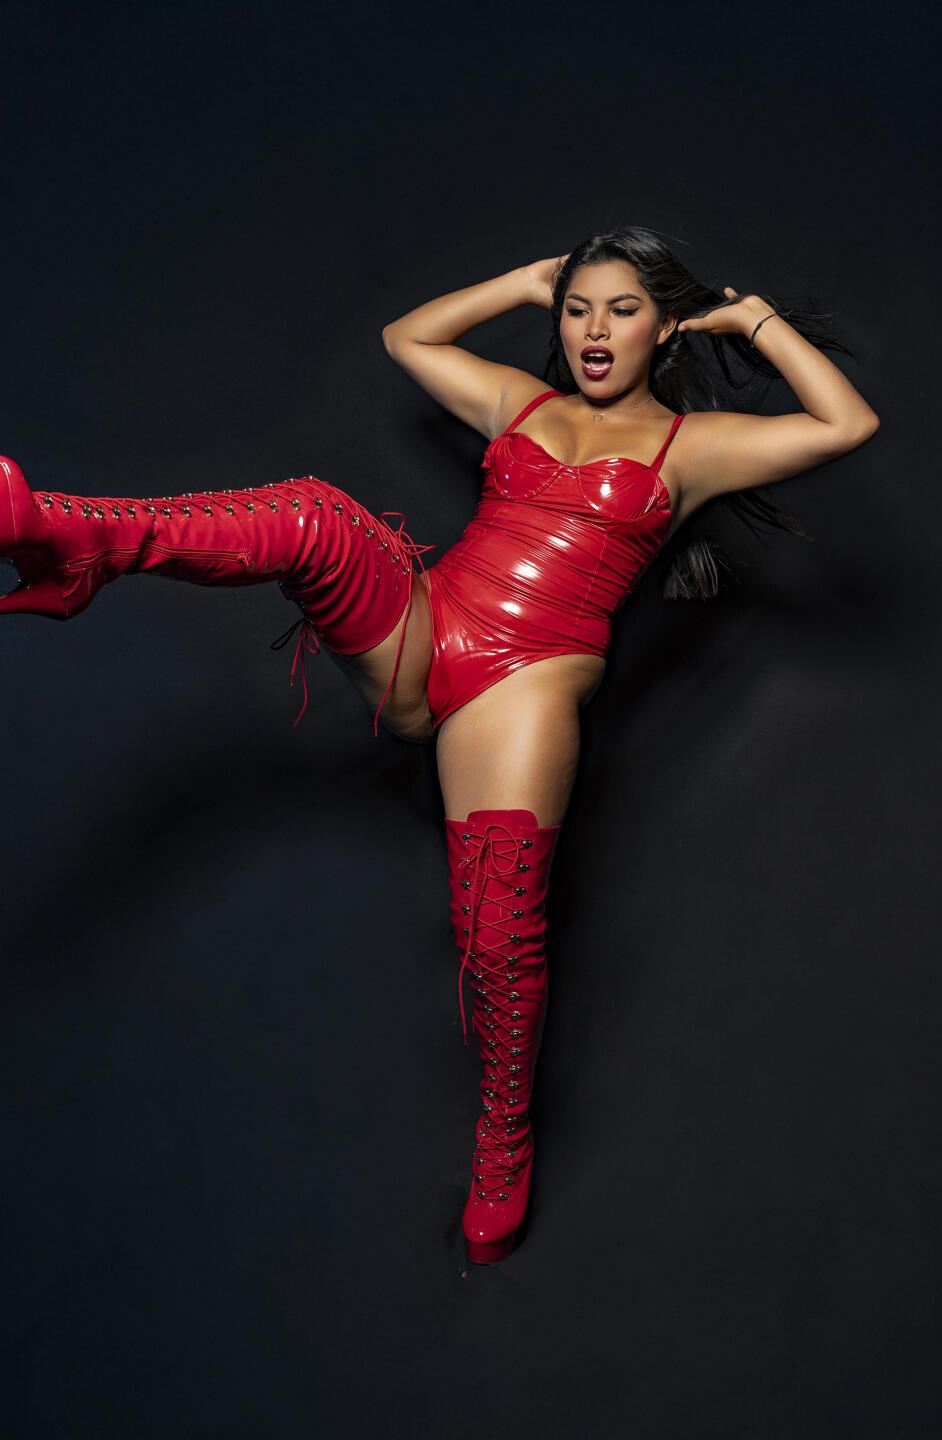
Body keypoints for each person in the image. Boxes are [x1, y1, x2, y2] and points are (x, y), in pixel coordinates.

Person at [0, 227, 879, 1265]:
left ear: (663, 327)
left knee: (497, 930)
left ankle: (503, 1142)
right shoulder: (523, 405)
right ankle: (75, 538)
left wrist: (752, 319)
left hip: (526, 682)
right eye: (578, 308)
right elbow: (406, 339)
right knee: (315, 515)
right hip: (427, 620)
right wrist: (518, 282)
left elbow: (847, 422)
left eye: (621, 309)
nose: (594, 329)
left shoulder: (694, 449)